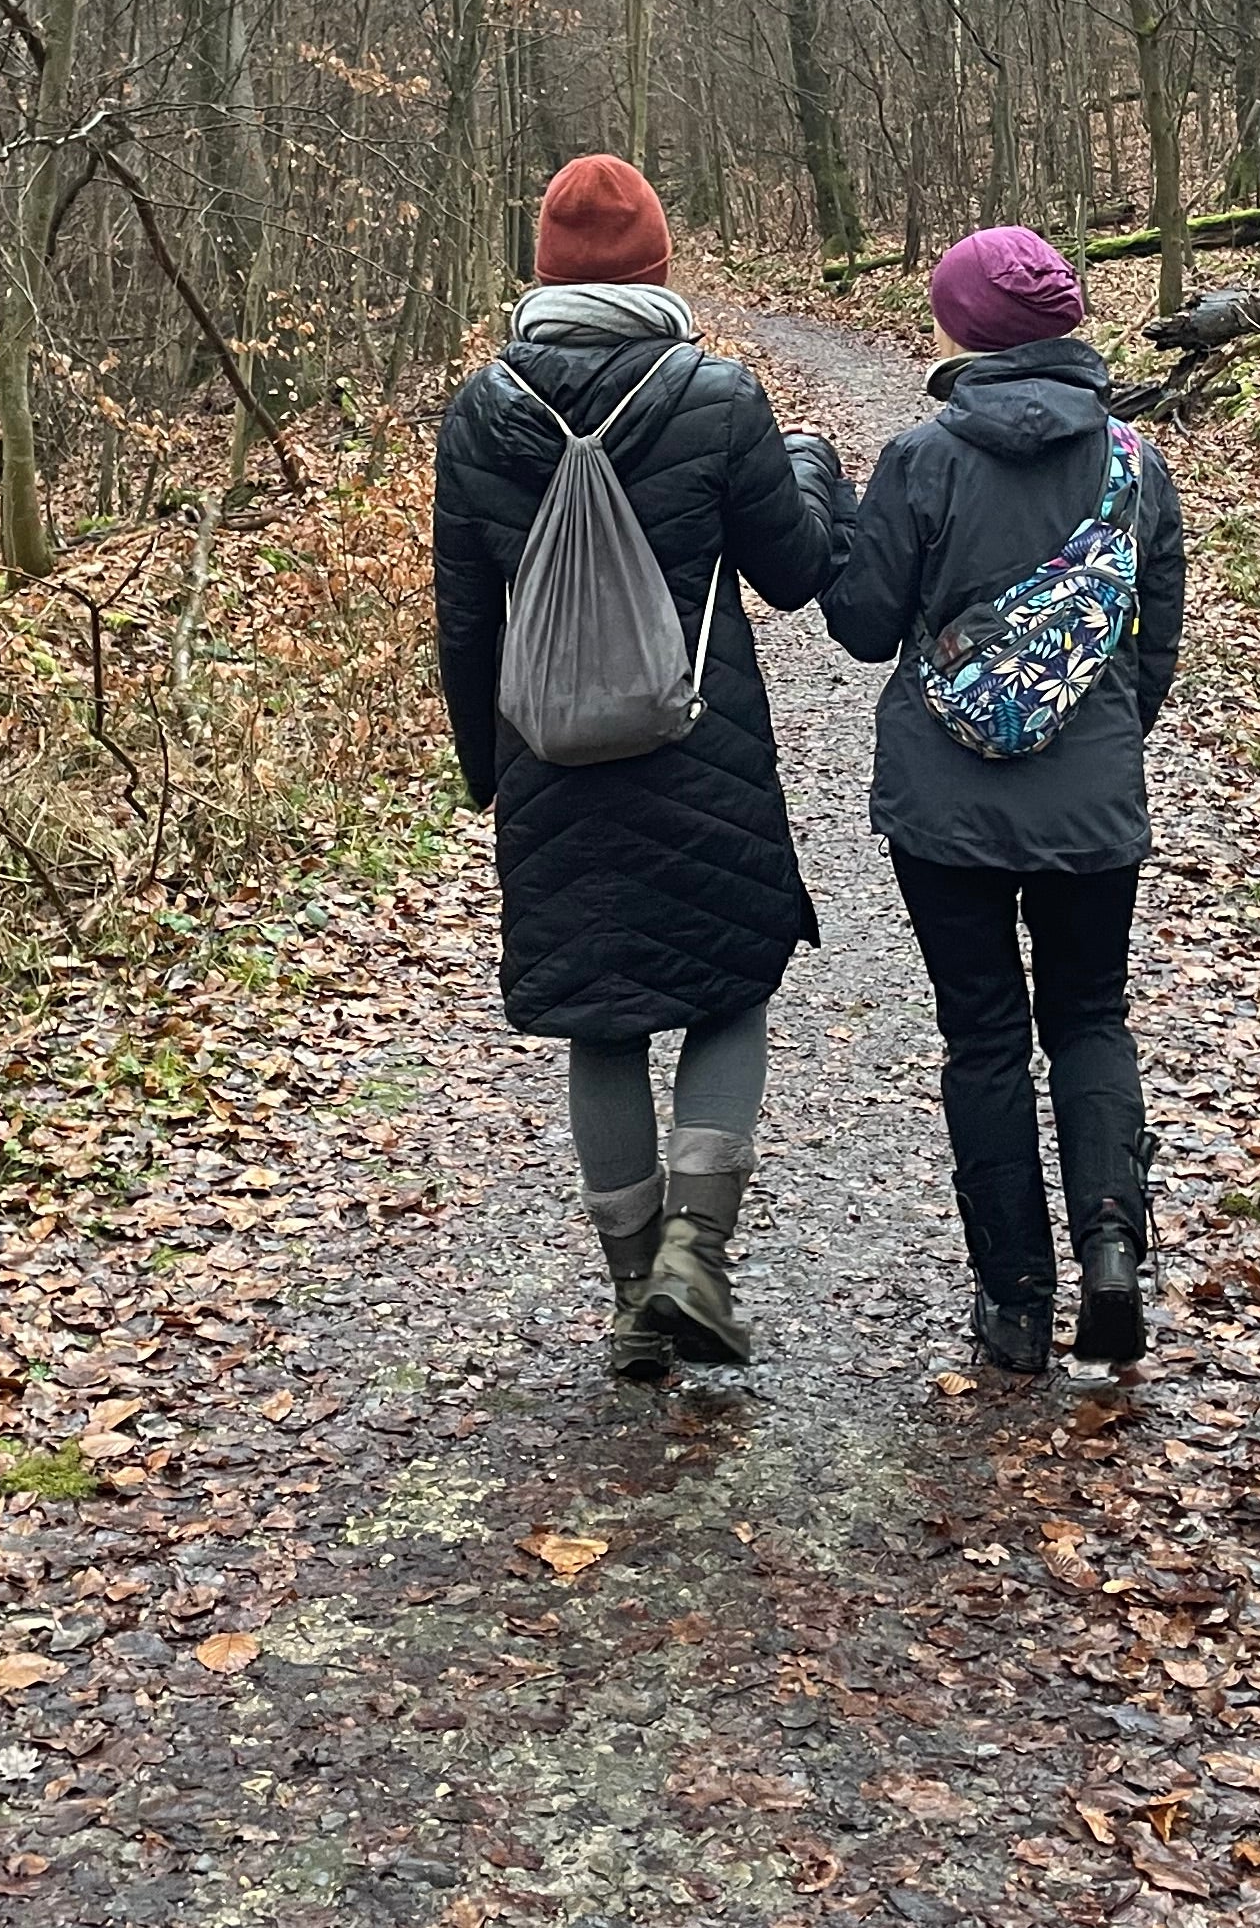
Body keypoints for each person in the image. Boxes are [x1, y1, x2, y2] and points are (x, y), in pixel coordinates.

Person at [433, 155, 851, 1377]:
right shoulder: (715, 397)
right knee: (729, 990)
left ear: (546, 275)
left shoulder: (481, 410)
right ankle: (695, 1255)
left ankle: (631, 1300)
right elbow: (793, 568)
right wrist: (813, 459)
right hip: (698, 749)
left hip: (550, 761)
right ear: (659, 271)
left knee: (598, 1023)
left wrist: (487, 771)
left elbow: (465, 613)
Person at [822, 225, 1186, 1372]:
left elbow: (860, 624)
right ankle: (1113, 1249)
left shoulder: (920, 460)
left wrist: (840, 516)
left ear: (967, 331)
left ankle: (1015, 1305)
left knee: (983, 1037)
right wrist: (1102, 741)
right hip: (1091, 803)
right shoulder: (1134, 462)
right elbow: (1154, 643)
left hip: (946, 809)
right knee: (1090, 1017)